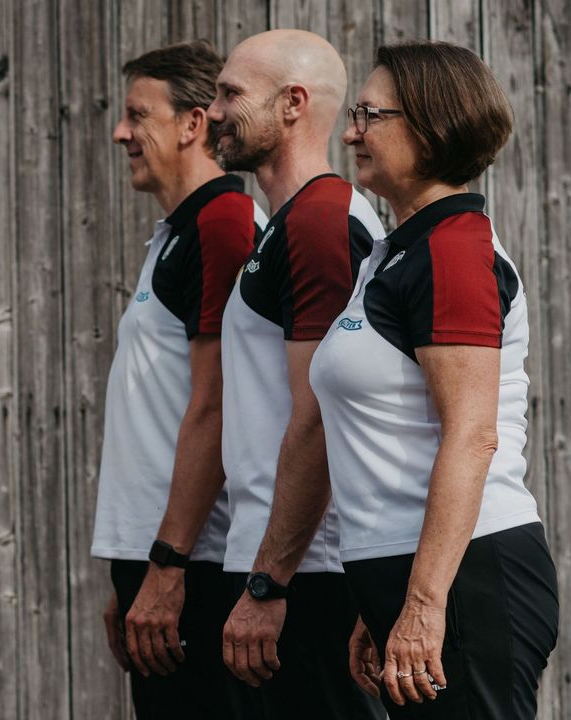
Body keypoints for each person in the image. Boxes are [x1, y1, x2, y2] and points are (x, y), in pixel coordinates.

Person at [312, 41, 557, 719]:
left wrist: (422, 603)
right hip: (416, 575)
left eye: (370, 115)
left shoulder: (452, 251)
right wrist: (379, 603)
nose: (351, 131)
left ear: (431, 124)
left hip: (470, 580)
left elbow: (473, 434)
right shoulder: (400, 250)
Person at [204, 29, 385, 718]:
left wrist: (268, 586)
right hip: (280, 570)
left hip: (308, 579)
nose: (214, 112)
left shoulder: (319, 224)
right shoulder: (290, 224)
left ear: (292, 105)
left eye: (230, 94)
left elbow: (320, 418)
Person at [92, 40, 264, 719]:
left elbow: (218, 404)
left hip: (198, 567)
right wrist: (136, 569)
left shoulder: (223, 223)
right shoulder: (177, 232)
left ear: (194, 124)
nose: (121, 132)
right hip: (164, 560)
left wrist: (165, 568)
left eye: (138, 115)